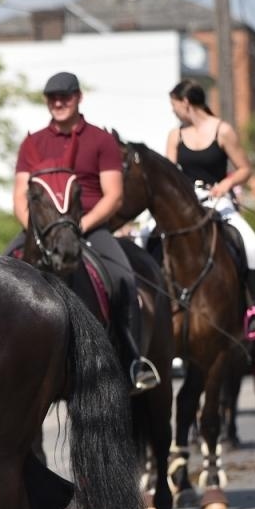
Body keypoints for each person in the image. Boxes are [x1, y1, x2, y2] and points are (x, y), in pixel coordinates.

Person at [14, 71, 158, 391]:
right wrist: (42, 232)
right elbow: (19, 199)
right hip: (42, 230)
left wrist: (78, 227)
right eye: (52, 97)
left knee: (124, 277)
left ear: (79, 97)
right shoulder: (32, 143)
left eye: (65, 96)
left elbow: (114, 196)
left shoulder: (101, 140)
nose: (58, 102)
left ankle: (133, 360)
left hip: (90, 227)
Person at [163, 79, 255, 356]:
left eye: (174, 105)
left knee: (253, 245)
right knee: (146, 239)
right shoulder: (175, 136)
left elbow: (245, 168)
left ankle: (253, 311)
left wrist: (224, 186)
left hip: (217, 201)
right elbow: (170, 173)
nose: (173, 111)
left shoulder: (222, 131)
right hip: (185, 204)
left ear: (185, 103)